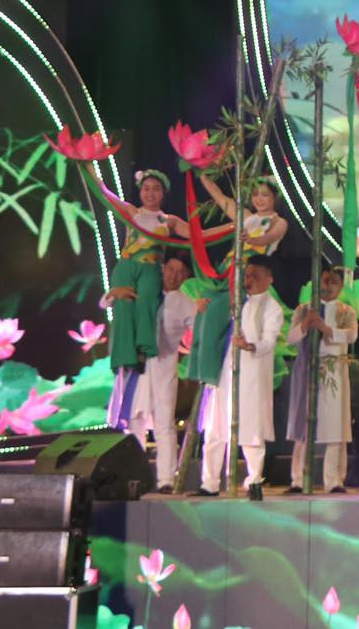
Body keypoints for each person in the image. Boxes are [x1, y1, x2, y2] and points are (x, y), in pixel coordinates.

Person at [185, 173, 289, 395]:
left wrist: (252, 240)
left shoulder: (278, 222)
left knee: (217, 312)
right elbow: (220, 198)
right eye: (255, 194)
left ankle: (211, 373)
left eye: (265, 195)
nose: (259, 199)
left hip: (247, 275)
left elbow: (270, 237)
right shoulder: (246, 217)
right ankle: (199, 370)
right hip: (226, 271)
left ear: (274, 198)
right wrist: (201, 174)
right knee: (204, 309)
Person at [200, 257, 283, 495]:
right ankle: (210, 483)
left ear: (269, 279)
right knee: (215, 428)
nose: (249, 280)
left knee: (251, 430)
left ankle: (253, 481)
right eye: (247, 275)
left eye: (255, 276)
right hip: (224, 373)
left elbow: (269, 341)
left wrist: (250, 346)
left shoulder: (271, 308)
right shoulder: (234, 301)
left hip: (251, 376)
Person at [117, 253, 196, 494]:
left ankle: (166, 480)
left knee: (164, 424)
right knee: (135, 423)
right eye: (170, 269)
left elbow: (198, 337)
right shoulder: (144, 292)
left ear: (186, 276)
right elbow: (110, 304)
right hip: (138, 368)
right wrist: (113, 295)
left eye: (180, 272)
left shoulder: (187, 304)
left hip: (164, 370)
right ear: (162, 269)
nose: (173, 276)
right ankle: (135, 477)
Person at [103, 171, 187, 377]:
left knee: (147, 302)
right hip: (127, 264)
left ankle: (144, 350)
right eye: (146, 189)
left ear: (163, 193)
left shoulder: (169, 220)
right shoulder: (133, 212)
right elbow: (105, 193)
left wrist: (233, 228)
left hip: (151, 267)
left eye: (156, 189)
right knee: (124, 306)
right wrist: (86, 166)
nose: (150, 193)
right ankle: (124, 359)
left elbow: (198, 235)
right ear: (140, 191)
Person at [287, 264, 359, 493]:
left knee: (335, 426)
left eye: (333, 282)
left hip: (334, 371)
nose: (328, 286)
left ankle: (334, 480)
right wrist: (307, 323)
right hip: (308, 372)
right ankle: (299, 479)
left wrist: (325, 329)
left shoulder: (346, 311)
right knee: (304, 426)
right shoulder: (304, 309)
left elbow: (351, 335)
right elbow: (291, 337)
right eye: (324, 280)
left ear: (341, 286)